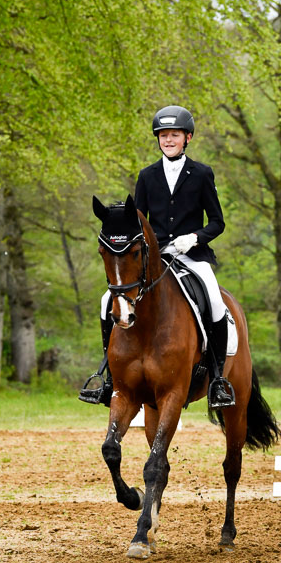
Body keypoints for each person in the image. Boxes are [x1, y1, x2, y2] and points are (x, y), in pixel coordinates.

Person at [79, 104, 235, 409]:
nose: (168, 140)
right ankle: (108, 378)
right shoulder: (147, 175)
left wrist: (194, 238)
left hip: (191, 256)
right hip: (156, 258)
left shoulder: (202, 173)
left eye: (174, 135)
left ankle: (217, 379)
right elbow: (138, 220)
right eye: (163, 135)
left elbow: (218, 222)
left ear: (187, 138)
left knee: (216, 301)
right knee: (106, 300)